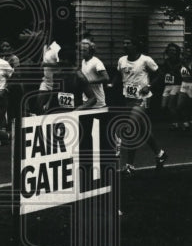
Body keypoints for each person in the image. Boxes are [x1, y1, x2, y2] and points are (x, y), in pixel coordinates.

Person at [115, 37, 166, 175]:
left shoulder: (145, 60)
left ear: (136, 46)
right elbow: (119, 76)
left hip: (142, 99)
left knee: (131, 127)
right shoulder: (121, 60)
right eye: (124, 43)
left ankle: (129, 165)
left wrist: (148, 86)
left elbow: (160, 75)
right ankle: (160, 154)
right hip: (128, 98)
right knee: (143, 131)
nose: (125, 45)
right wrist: (113, 85)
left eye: (128, 43)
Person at [77, 39, 109, 110]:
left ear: (91, 51)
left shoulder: (96, 62)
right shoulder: (83, 61)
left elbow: (106, 78)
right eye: (81, 50)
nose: (82, 52)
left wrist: (88, 82)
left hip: (98, 101)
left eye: (84, 50)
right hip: (87, 99)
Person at [159, 43, 183, 127]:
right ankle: (175, 119)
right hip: (168, 85)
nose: (172, 52)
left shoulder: (180, 61)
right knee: (163, 106)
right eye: (170, 50)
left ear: (177, 52)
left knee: (171, 105)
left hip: (176, 85)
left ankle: (175, 123)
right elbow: (162, 72)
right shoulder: (166, 61)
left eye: (173, 50)